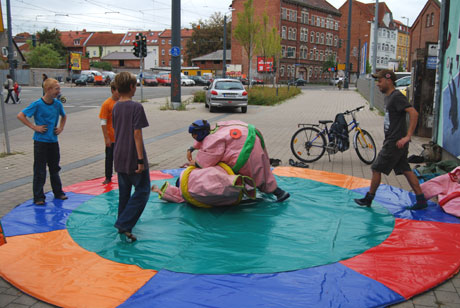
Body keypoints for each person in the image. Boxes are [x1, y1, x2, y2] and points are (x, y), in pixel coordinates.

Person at [354, 70, 427, 210]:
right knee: (405, 169)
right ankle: (421, 199)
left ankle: (369, 198)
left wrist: (407, 136)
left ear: (388, 80)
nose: (377, 84)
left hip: (395, 142)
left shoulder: (396, 96)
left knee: (376, 168)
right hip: (396, 141)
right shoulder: (389, 97)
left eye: (380, 81)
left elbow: (414, 113)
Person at [187, 119, 290, 202]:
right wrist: (192, 148)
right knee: (261, 170)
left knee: (256, 174)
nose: (194, 137)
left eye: (195, 134)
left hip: (245, 150)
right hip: (250, 135)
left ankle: (279, 193)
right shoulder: (214, 129)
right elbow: (205, 140)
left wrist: (196, 163)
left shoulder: (213, 139)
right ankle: (249, 191)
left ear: (201, 133)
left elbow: (208, 160)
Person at [112, 72, 150, 242]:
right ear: (131, 87)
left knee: (124, 193)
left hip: (119, 154)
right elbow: (137, 134)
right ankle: (124, 223)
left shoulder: (115, 107)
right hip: (133, 154)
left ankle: (123, 223)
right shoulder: (136, 107)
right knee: (142, 191)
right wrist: (140, 160)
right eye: (135, 85)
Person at [17, 78, 68, 205]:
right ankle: (39, 196)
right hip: (41, 142)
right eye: (57, 89)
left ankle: (58, 192)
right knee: (40, 169)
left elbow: (64, 115)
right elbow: (21, 115)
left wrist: (61, 127)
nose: (59, 91)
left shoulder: (57, 104)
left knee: (54, 168)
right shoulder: (38, 104)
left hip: (53, 141)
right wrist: (34, 127)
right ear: (48, 89)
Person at [152, 163, 256, 207]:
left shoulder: (183, 192)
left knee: (212, 181)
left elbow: (174, 196)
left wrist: (160, 191)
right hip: (193, 181)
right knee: (212, 182)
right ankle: (233, 182)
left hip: (194, 179)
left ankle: (233, 182)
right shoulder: (183, 191)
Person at [99, 81, 120, 184]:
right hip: (111, 137)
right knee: (109, 158)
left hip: (121, 137)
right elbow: (103, 121)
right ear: (112, 90)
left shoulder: (122, 102)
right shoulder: (107, 104)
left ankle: (121, 175)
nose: (120, 93)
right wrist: (106, 137)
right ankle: (108, 177)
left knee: (121, 158)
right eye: (118, 90)